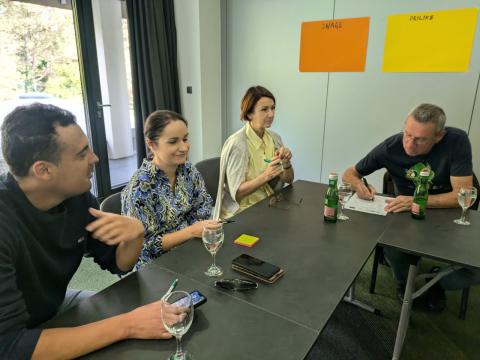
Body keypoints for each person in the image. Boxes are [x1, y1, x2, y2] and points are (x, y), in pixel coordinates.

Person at [0, 103, 183, 359]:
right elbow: (11, 347)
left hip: (51, 307)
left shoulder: (78, 199)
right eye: (81, 154)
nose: (95, 158)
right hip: (19, 333)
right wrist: (127, 325)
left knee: (149, 316)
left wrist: (136, 234)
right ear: (43, 170)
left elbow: (118, 265)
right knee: (131, 324)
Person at [343, 103, 479, 311]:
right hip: (407, 217)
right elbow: (349, 174)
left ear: (438, 136)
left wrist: (417, 200)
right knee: (392, 247)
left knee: (475, 269)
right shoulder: (391, 146)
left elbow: (464, 197)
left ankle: (435, 283)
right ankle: (406, 284)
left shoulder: (456, 141)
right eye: (407, 133)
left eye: (420, 139)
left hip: (448, 216)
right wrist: (359, 186)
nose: (409, 144)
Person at [121, 110, 216, 268]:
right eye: (173, 142)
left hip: (191, 250)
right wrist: (192, 231)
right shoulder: (139, 188)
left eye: (185, 139)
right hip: (156, 267)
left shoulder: (189, 171)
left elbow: (202, 211)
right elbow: (144, 248)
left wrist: (201, 229)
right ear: (151, 144)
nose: (184, 147)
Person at [213, 86, 294, 219]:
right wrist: (266, 176)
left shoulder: (275, 139)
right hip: (240, 213)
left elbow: (289, 179)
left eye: (273, 108)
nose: (271, 114)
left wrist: (286, 164)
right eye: (264, 109)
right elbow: (237, 193)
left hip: (266, 203)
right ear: (250, 114)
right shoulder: (238, 144)